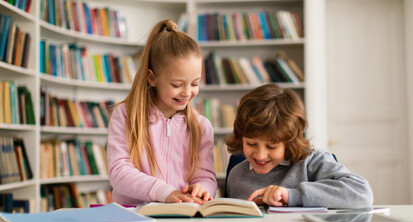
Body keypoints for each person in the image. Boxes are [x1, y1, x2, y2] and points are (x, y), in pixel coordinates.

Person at [107, 19, 217, 205]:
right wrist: (163, 192)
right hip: (134, 215)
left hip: (181, 215)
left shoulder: (201, 126)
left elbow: (206, 175)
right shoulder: (125, 115)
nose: (187, 92)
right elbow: (119, 171)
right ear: (152, 78)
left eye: (195, 83)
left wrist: (203, 188)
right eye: (177, 84)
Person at [226, 84, 373, 208]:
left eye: (272, 146)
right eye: (251, 144)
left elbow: (362, 193)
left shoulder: (312, 162)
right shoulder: (236, 175)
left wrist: (292, 195)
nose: (260, 155)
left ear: (290, 141)